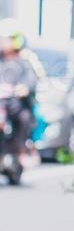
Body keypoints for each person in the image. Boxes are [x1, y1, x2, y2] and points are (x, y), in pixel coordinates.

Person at [0, 20, 39, 152]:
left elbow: (31, 79)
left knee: (25, 118)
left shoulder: (25, 59)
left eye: (6, 39)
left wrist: (24, 88)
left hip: (17, 104)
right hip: (1, 103)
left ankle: (22, 149)